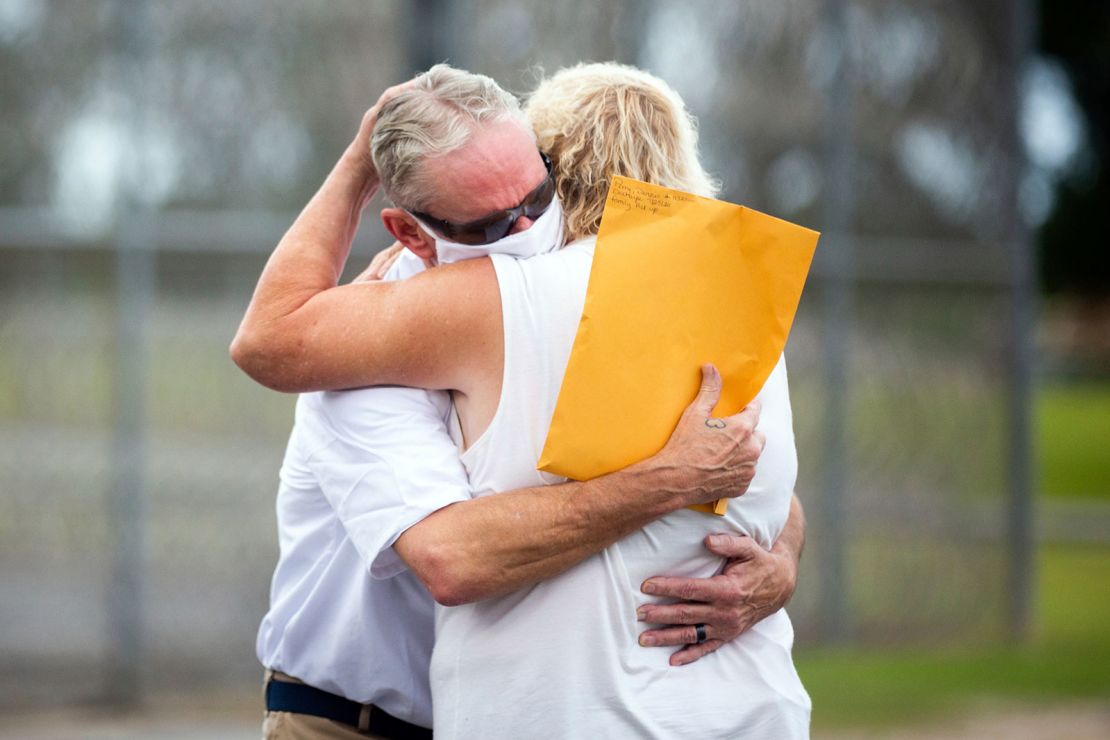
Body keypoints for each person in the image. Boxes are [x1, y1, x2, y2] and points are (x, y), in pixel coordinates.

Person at [233, 64, 808, 738]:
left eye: (540, 197)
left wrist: (780, 563)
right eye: (492, 226)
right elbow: (453, 558)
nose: (529, 230)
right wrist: (669, 481)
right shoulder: (370, 340)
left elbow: (747, 467)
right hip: (354, 719)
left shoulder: (578, 314)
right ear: (414, 233)